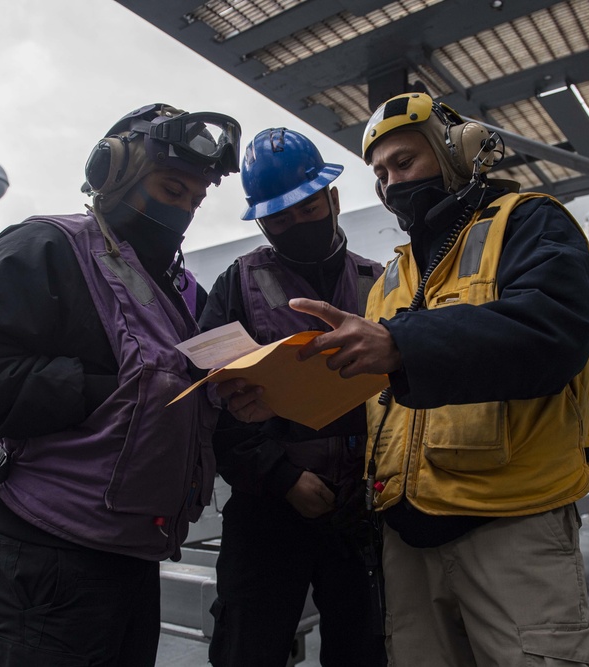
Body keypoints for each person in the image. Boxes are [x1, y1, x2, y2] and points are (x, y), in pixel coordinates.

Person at [281, 92, 589, 666]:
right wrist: (275, 401)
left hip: (512, 524)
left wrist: (400, 342)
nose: (390, 184)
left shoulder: (529, 221)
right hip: (405, 536)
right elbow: (377, 391)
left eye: (404, 163)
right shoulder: (390, 276)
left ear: (457, 153)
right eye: (380, 174)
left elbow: (552, 333)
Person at [0, 103, 239, 666]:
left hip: (133, 547)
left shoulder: (183, 291)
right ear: (113, 172)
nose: (183, 209)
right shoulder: (46, 247)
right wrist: (101, 390)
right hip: (49, 549)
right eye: (171, 188)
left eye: (195, 198)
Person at [201, 128, 386, 667]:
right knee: (247, 648)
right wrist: (281, 477)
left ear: (332, 199)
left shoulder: (381, 284)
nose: (296, 226)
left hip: (363, 507)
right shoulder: (236, 285)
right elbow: (211, 400)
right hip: (268, 509)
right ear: (262, 222)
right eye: (279, 219)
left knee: (366, 649)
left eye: (307, 209)